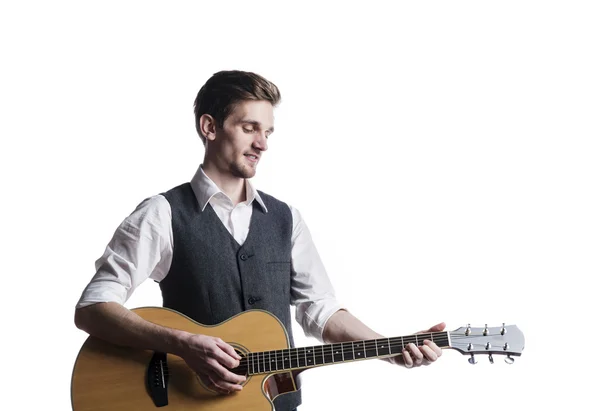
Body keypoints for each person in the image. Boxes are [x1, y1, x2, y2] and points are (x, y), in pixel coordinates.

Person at [74, 70, 445, 411]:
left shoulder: (286, 218)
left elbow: (320, 309)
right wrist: (182, 344)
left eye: (267, 132)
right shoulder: (163, 213)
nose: (262, 144)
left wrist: (391, 348)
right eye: (250, 127)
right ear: (210, 127)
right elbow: (93, 307)